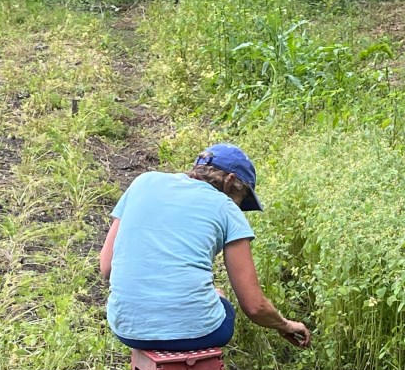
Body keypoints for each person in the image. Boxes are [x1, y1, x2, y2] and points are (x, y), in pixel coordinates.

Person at [100, 143, 311, 351]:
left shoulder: (143, 182)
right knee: (221, 300)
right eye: (242, 198)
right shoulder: (226, 207)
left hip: (127, 330)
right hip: (198, 334)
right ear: (230, 181)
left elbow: (107, 267)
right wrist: (285, 325)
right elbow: (255, 306)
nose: (239, 206)